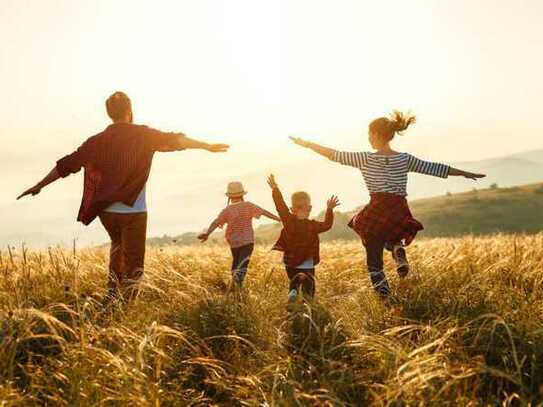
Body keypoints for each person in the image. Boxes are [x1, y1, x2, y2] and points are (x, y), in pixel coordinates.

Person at [17, 91, 229, 302]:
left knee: (117, 248)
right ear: (129, 111)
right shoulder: (143, 135)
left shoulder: (96, 141)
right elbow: (175, 140)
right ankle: (127, 307)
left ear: (110, 113)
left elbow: (67, 165)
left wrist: (39, 185)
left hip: (106, 212)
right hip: (133, 211)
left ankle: (111, 296)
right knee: (134, 264)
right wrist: (205, 146)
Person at [290, 111, 486, 297]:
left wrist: (307, 144)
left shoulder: (365, 158)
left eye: (369, 134)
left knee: (374, 261)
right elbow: (433, 168)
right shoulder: (404, 159)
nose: (368, 138)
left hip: (377, 207)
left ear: (375, 134)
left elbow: (334, 154)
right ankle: (396, 249)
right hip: (399, 208)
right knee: (392, 237)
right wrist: (464, 173)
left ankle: (384, 297)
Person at [267, 174, 340, 302]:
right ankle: (307, 305)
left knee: (294, 281)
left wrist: (275, 188)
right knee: (309, 287)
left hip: (290, 262)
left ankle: (293, 292)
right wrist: (329, 209)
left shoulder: (288, 220)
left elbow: (280, 205)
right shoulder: (313, 226)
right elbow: (327, 225)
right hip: (307, 263)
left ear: (292, 209)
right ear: (310, 208)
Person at [198, 181, 280, 287]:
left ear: (229, 197)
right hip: (247, 240)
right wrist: (279, 218)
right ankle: (237, 285)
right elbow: (264, 212)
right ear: (242, 194)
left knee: (236, 262)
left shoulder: (227, 210)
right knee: (243, 263)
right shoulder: (248, 206)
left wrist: (208, 233)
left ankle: (234, 285)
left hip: (233, 241)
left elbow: (216, 222)